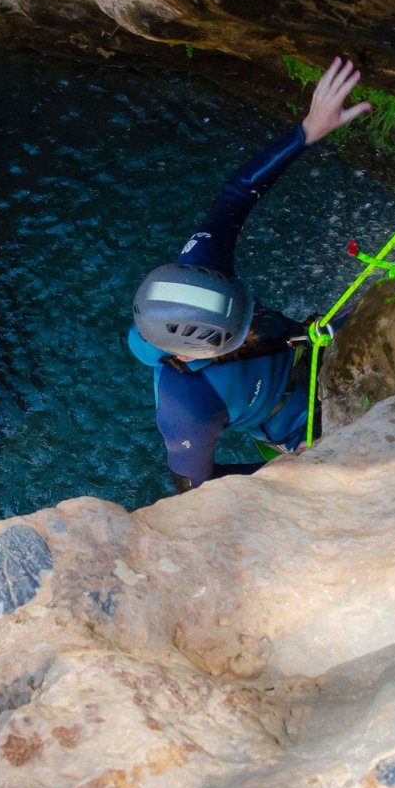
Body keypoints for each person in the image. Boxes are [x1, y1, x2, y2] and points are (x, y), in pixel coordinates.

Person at [128, 58, 371, 492]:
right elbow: (193, 487)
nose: (251, 319)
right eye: (241, 329)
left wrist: (306, 132)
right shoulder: (187, 407)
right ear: (189, 356)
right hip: (297, 429)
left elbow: (237, 194)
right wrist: (292, 469)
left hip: (312, 344)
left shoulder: (202, 271)